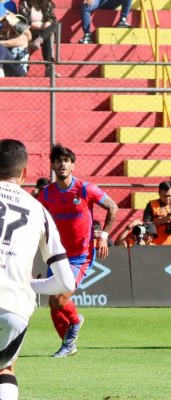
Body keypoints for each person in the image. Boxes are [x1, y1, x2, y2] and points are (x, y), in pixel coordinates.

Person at [0, 139, 75, 400]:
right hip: (14, 307)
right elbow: (65, 284)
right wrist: (29, 284)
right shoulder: (39, 210)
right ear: (26, 171)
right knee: (5, 368)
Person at [38, 144, 119, 357]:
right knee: (53, 304)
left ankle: (75, 322)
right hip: (55, 255)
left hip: (79, 257)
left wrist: (103, 236)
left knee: (59, 299)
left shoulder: (84, 189)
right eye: (58, 160)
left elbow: (113, 207)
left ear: (73, 165)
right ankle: (68, 345)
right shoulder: (46, 195)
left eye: (66, 160)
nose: (62, 164)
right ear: (53, 165)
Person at [19, 0, 58, 77]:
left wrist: (47, 24)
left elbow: (52, 18)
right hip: (29, 31)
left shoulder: (47, 2)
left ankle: (49, 69)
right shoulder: (24, 2)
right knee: (47, 35)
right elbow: (24, 20)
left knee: (54, 26)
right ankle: (48, 68)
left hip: (44, 32)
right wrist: (40, 25)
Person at [142, 181, 171, 245]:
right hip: (156, 245)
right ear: (159, 193)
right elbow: (146, 226)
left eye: (170, 196)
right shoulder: (151, 205)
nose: (168, 199)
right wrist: (162, 220)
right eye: (165, 196)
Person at [0, 12, 30, 77]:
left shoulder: (23, 38)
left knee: (1, 46)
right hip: (8, 68)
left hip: (19, 70)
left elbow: (6, 43)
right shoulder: (4, 37)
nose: (2, 29)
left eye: (4, 26)